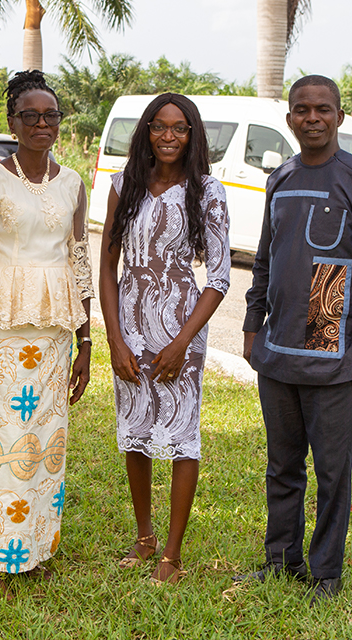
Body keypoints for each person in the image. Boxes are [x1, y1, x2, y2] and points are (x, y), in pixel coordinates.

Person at [235, 75, 352, 605]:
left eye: (322, 109)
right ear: (289, 120)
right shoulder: (280, 178)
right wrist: (252, 325)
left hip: (331, 342)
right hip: (276, 347)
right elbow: (264, 258)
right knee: (282, 466)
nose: (312, 118)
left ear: (339, 116)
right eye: (302, 109)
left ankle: (326, 573)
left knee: (331, 471)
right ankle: (281, 560)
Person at [0, 70, 93, 598]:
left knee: (47, 445)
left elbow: (79, 260)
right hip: (5, 331)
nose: (42, 124)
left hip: (57, 334)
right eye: (30, 116)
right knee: (5, 442)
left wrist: (87, 343)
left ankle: (33, 548)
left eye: (51, 116)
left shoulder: (73, 183)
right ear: (12, 122)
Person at [99, 93, 231, 584]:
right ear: (147, 132)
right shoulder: (124, 185)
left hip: (181, 329)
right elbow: (107, 267)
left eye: (179, 128)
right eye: (159, 126)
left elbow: (219, 278)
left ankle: (171, 556)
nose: (168, 136)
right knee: (135, 429)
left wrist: (181, 343)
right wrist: (114, 339)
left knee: (181, 437)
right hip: (129, 325)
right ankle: (144, 538)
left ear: (192, 135)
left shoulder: (208, 191)